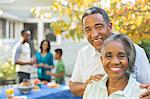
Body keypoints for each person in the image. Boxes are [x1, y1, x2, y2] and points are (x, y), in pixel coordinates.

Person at [69, 7, 150, 98]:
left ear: (110, 26)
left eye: (99, 26)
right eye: (88, 29)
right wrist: (92, 86)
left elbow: (148, 85)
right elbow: (73, 87)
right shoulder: (83, 53)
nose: (94, 34)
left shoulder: (136, 51)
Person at [83, 33, 146, 99]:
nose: (115, 62)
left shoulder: (141, 93)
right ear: (102, 59)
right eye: (108, 56)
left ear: (129, 59)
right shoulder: (92, 87)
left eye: (121, 56)